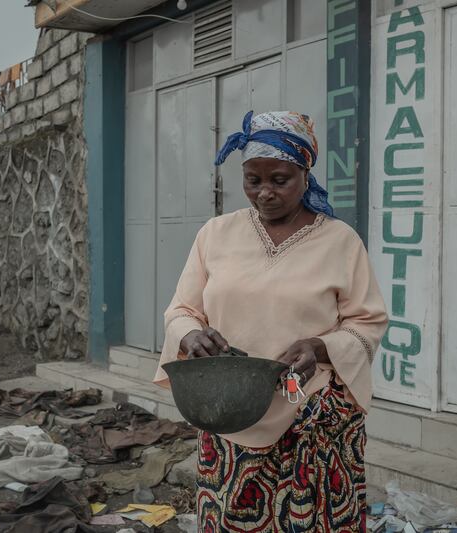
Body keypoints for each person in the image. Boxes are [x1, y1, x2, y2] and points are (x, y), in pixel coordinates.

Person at [154, 110, 388, 532]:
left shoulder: (340, 241)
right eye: (253, 180)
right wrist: (190, 335)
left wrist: (319, 347)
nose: (264, 193)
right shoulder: (215, 234)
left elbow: (367, 321)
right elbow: (181, 310)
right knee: (234, 519)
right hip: (229, 412)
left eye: (279, 180)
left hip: (312, 415)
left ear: (304, 172)